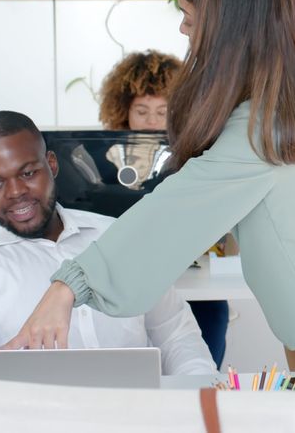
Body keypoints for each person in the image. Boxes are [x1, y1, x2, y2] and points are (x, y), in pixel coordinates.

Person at [5, 0, 295, 372]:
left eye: (188, 16)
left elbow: (176, 209)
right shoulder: (291, 92)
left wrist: (68, 287)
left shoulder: (268, 124)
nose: (182, 29)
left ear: (226, 25)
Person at [0, 110, 216, 376]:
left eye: (28, 173)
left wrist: (198, 399)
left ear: (52, 165)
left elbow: (178, 336)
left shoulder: (118, 237)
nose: (15, 192)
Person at [98, 51, 231, 370]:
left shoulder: (204, 156)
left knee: (198, 372)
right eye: (141, 111)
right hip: (131, 285)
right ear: (123, 112)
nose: (152, 122)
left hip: (194, 286)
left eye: (162, 111)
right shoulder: (104, 159)